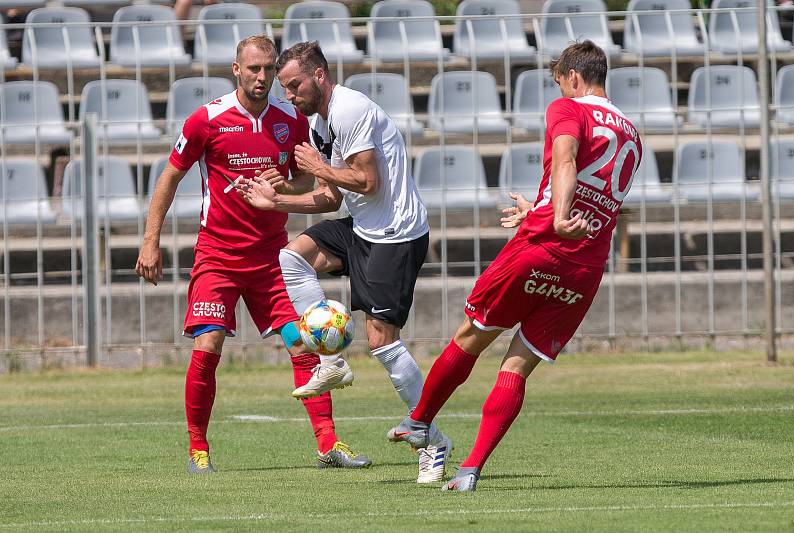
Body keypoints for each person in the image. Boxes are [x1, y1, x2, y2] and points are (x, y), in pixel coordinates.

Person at [386, 40, 643, 492]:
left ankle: (421, 421)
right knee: (517, 367)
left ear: (574, 78)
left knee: (472, 335)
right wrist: (543, 209)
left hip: (542, 247)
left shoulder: (569, 108)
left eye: (561, 81)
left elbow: (565, 160)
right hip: (585, 265)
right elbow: (597, 196)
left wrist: (554, 219)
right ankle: (469, 471)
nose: (560, 88)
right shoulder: (633, 134)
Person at [134, 35, 370, 474]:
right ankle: (198, 448)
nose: (262, 78)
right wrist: (151, 240)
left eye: (268, 70)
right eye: (254, 69)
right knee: (208, 344)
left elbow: (308, 182)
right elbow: (169, 177)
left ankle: (329, 444)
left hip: (270, 257)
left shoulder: (291, 119)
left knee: (304, 344)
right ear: (236, 69)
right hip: (218, 255)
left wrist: (281, 185)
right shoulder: (207, 120)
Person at [236, 41, 452, 484]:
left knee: (381, 343)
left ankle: (432, 442)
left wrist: (318, 165)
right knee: (292, 257)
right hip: (361, 227)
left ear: (319, 76)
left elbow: (368, 183)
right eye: (284, 88)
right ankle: (330, 359)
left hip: (396, 233)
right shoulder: (318, 123)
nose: (289, 96)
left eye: (294, 86)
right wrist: (276, 200)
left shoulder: (350, 110)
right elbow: (333, 197)